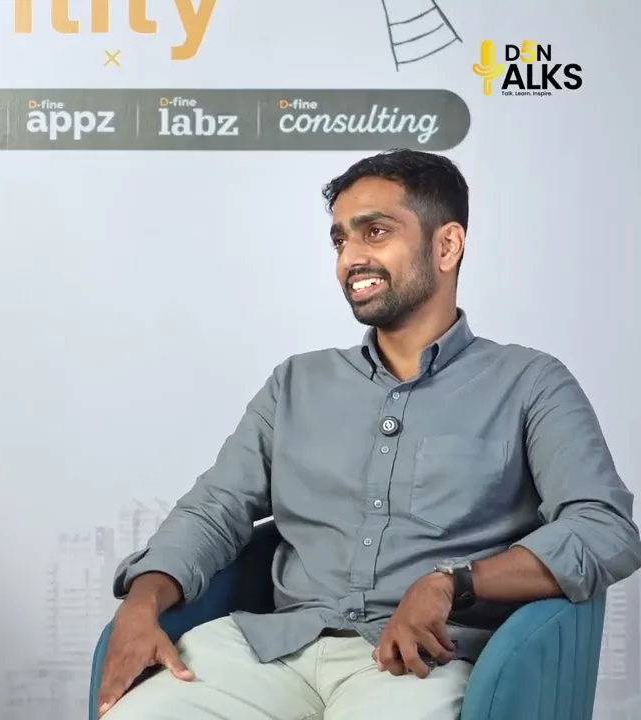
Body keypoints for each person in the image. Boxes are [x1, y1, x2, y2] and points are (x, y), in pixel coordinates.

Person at [96, 149, 641, 720]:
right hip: (270, 651)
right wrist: (143, 600)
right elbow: (215, 509)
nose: (351, 259)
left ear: (447, 246)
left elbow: (603, 528)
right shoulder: (295, 384)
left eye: (375, 232)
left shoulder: (529, 383)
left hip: (419, 665)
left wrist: (454, 583)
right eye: (340, 241)